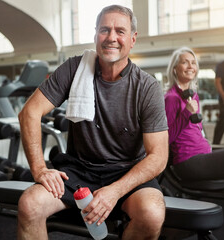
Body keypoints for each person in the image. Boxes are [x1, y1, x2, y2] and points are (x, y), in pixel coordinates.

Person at [17, 5, 169, 240]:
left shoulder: (146, 87)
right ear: (95, 34)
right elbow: (29, 112)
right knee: (30, 205)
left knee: (151, 214)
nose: (111, 38)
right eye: (104, 30)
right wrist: (39, 170)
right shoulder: (75, 68)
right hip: (79, 171)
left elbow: (158, 156)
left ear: (132, 39)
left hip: (127, 172)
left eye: (120, 31)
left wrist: (115, 191)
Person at [164, 46, 224, 229]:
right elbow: (166, 139)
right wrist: (186, 113)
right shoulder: (171, 98)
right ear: (175, 68)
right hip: (188, 163)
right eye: (184, 62)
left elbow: (196, 131)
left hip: (203, 157)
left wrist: (206, 145)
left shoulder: (193, 97)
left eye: (193, 62)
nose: (190, 66)